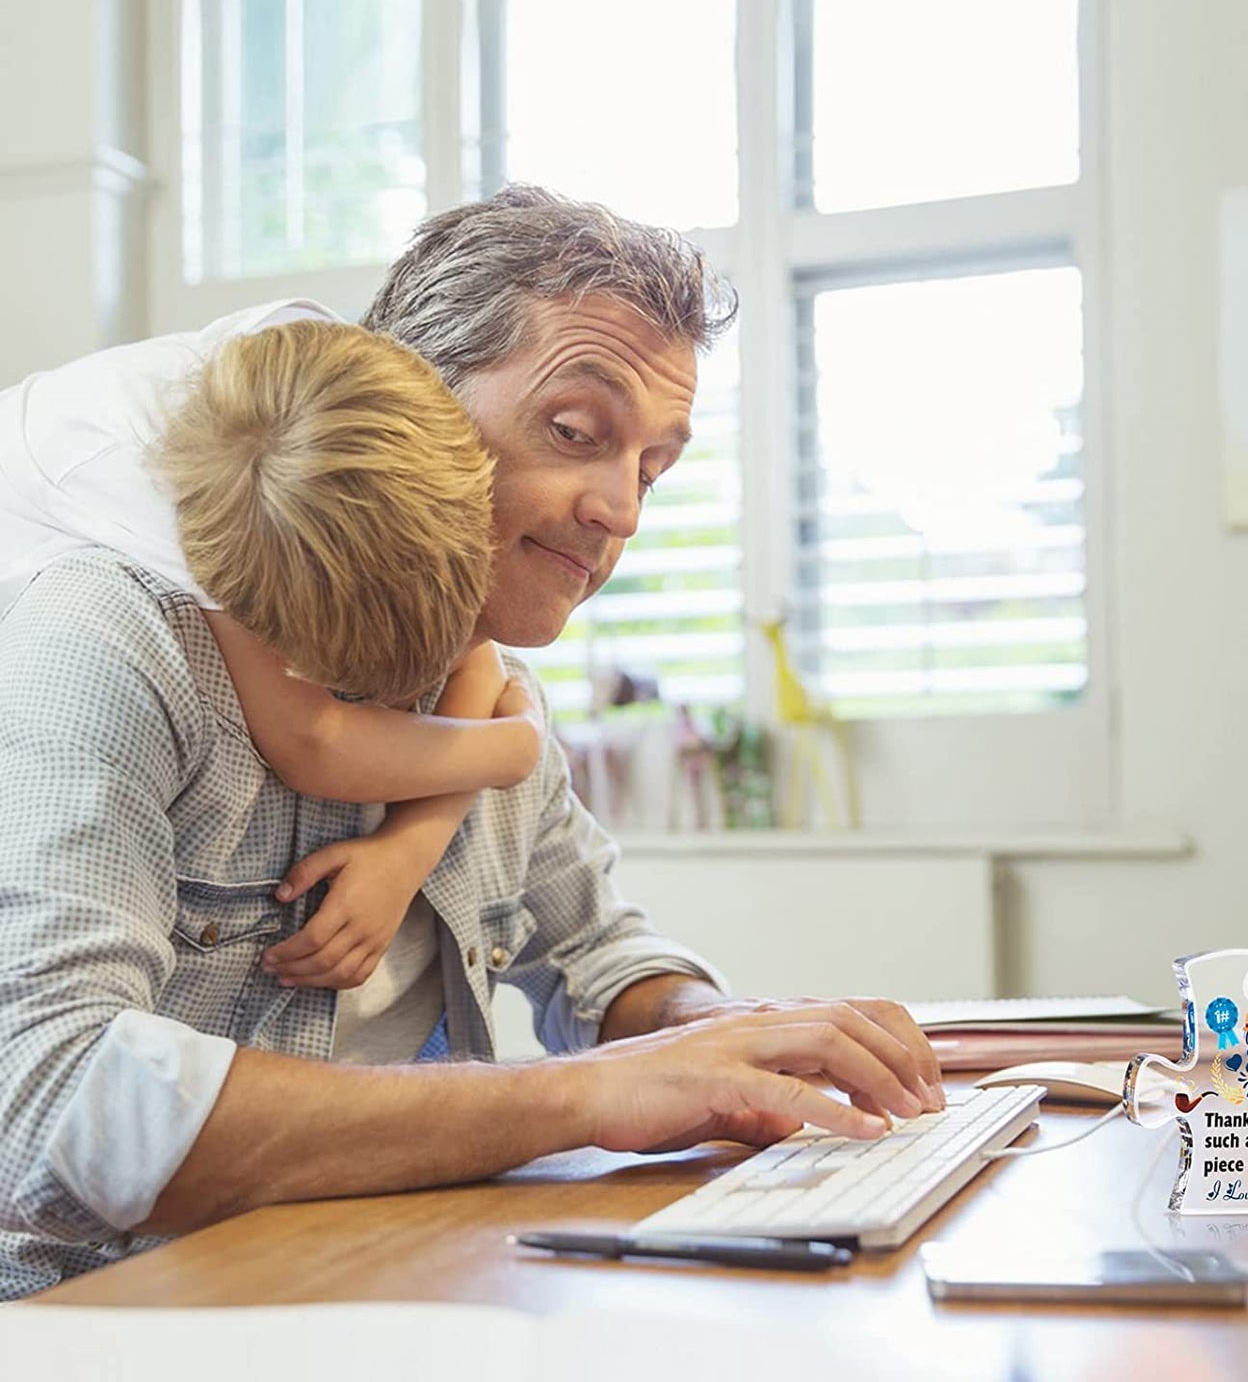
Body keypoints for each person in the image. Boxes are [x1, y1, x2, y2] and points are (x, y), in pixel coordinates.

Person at [0, 185, 943, 1300]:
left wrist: (716, 1032)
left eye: (650, 466)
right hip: (128, 1316)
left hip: (401, 1282)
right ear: (413, 397)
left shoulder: (497, 693)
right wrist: (588, 1092)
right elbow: (51, 1102)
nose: (622, 511)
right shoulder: (111, 636)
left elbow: (598, 956)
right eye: (575, 433)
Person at [1, 315, 547, 992]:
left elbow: (473, 650)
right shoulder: (199, 522)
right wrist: (519, 746)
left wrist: (411, 846)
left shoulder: (359, 400)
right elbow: (314, 744)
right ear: (280, 641)